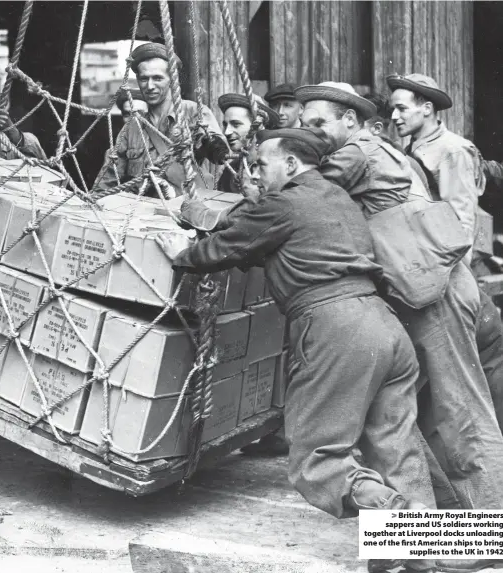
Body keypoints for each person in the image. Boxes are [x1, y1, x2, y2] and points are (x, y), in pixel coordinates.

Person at [157, 127, 437, 573]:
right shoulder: (336, 197)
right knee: (395, 445)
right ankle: (419, 554)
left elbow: (227, 245)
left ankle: (393, 510)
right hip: (384, 327)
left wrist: (182, 253)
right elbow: (274, 241)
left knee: (315, 459)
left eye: (262, 165)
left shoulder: (284, 201)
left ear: (290, 164)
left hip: (335, 329)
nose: (256, 174)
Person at [295, 81, 503, 573]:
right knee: (407, 419)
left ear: (350, 121)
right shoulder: (383, 149)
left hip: (434, 294)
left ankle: (488, 541)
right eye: (304, 126)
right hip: (421, 290)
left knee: (461, 412)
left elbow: (299, 192)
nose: (310, 133)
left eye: (319, 123)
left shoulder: (358, 151)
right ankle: (428, 543)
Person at [388, 73, 503, 437]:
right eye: (392, 109)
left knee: (477, 378)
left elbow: (461, 225)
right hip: (423, 276)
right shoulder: (412, 150)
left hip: (447, 281)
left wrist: (446, 283)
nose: (394, 117)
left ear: (427, 109)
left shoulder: (453, 150)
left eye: (402, 109)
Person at [92, 42, 229, 197]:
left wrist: (211, 145)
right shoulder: (132, 127)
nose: (150, 86)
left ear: (172, 79)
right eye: (144, 79)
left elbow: (218, 150)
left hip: (185, 210)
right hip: (142, 212)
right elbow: (109, 176)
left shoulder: (193, 112)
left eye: (157, 78)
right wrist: (95, 199)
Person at [216, 92, 279, 195]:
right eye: (225, 125)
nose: (226, 132)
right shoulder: (230, 170)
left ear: (257, 125)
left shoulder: (275, 167)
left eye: (236, 124)